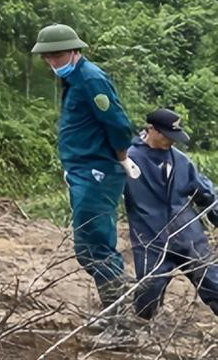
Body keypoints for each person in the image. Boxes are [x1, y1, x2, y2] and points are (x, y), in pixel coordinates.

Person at [31, 23, 138, 338]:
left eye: (58, 55)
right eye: (48, 57)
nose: (53, 62)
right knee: (87, 246)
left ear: (74, 51)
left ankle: (120, 327)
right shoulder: (75, 79)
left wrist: (120, 157)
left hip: (97, 173)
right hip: (83, 171)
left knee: (96, 246)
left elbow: (118, 124)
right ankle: (112, 316)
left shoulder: (91, 79)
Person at [124, 108, 218, 320]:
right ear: (151, 130)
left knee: (212, 280)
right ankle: (142, 328)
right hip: (150, 237)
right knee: (149, 290)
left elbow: (206, 192)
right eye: (167, 136)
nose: (171, 142)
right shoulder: (128, 158)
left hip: (188, 234)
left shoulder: (181, 161)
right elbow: (107, 191)